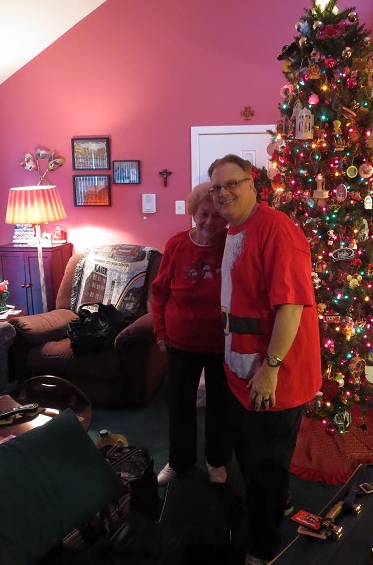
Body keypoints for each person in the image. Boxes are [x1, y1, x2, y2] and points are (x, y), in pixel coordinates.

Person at [208, 154, 322, 565]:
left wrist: (271, 370)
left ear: (252, 184)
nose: (223, 193)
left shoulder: (277, 230)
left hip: (274, 377)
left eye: (232, 184)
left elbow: (290, 308)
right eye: (216, 188)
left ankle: (263, 550)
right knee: (253, 461)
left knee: (265, 467)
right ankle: (274, 506)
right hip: (241, 370)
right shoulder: (237, 228)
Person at [152, 182, 232, 486]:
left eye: (217, 215)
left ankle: (217, 461)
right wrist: (160, 331)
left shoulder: (233, 244)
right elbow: (160, 292)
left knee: (220, 406)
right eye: (203, 214)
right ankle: (179, 461)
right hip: (181, 341)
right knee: (180, 404)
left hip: (221, 342)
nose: (210, 222)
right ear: (193, 213)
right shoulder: (176, 245)